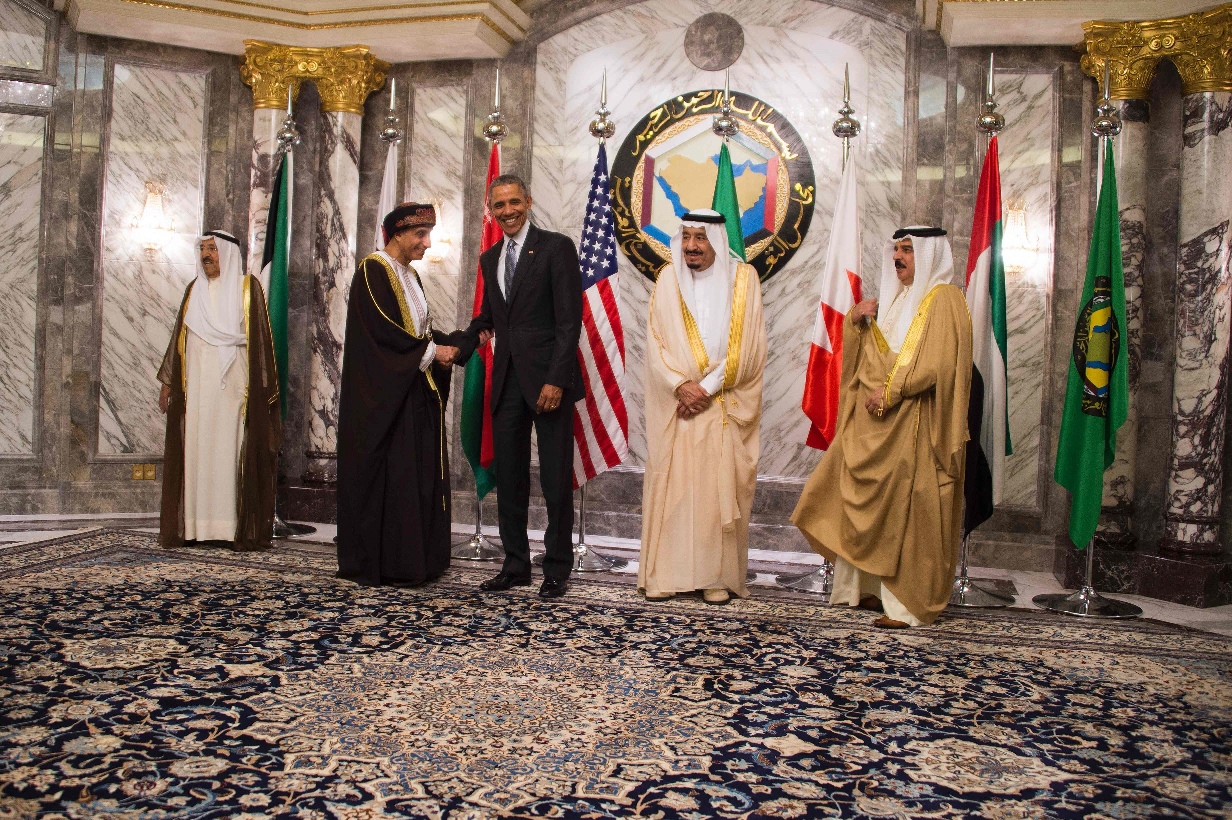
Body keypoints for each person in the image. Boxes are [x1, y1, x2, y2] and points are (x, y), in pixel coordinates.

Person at [792, 227, 972, 628]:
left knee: (910, 512)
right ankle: (870, 590)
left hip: (917, 427)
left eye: (908, 250)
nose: (899, 257)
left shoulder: (943, 299)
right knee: (868, 505)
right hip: (880, 425)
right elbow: (875, 359)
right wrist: (856, 324)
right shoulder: (898, 298)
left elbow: (936, 367)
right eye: (896, 249)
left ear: (928, 255)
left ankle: (906, 605)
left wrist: (891, 393)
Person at [336, 202, 480, 587]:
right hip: (384, 400)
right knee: (395, 477)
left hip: (412, 393)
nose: (428, 242)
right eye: (420, 234)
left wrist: (461, 342)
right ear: (397, 233)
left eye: (429, 233)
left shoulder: (410, 276)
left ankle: (417, 559)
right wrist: (435, 352)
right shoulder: (373, 270)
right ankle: (390, 563)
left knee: (414, 477)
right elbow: (384, 335)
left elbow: (421, 333)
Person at [454, 175, 584, 599]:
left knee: (553, 478)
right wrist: (454, 345)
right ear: (490, 209)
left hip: (550, 385)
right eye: (499, 205)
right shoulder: (490, 258)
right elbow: (489, 318)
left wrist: (556, 380)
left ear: (528, 201)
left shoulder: (555, 247)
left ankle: (557, 568)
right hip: (507, 383)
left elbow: (569, 321)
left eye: (514, 202)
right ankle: (515, 565)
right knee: (510, 478)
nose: (507, 211)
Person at [638, 210, 766, 605]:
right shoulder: (668, 279)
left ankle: (716, 576)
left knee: (715, 492)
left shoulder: (745, 280)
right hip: (677, 405)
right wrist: (680, 385)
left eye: (701, 238)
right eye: (687, 237)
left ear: (717, 239)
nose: (692, 246)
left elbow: (750, 345)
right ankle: (666, 574)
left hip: (721, 403)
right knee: (673, 490)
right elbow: (655, 342)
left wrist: (706, 388)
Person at [157, 230, 280, 551]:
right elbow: (177, 341)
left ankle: (230, 527)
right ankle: (197, 527)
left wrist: (262, 390)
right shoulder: (193, 290)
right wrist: (168, 382)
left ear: (227, 253)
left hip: (233, 389)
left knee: (229, 450)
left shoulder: (246, 289)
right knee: (198, 449)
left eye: (212, 249)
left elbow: (262, 342)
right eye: (202, 249)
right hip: (196, 389)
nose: (206, 255)